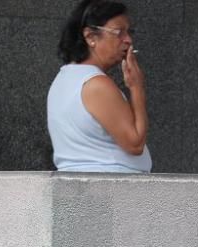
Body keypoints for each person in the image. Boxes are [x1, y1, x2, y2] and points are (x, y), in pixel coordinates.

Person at [47, 0, 151, 173]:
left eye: (129, 32)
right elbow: (135, 143)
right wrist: (137, 88)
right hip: (110, 187)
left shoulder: (64, 78)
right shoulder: (96, 83)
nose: (128, 40)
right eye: (119, 32)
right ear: (90, 37)